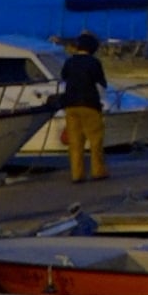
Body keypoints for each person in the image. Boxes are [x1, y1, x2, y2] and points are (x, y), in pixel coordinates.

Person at [60, 31, 110, 183]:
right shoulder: (94, 62)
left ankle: (77, 174)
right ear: (92, 48)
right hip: (89, 104)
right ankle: (98, 171)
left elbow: (63, 77)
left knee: (75, 142)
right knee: (95, 139)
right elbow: (101, 83)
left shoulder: (69, 62)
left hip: (71, 105)